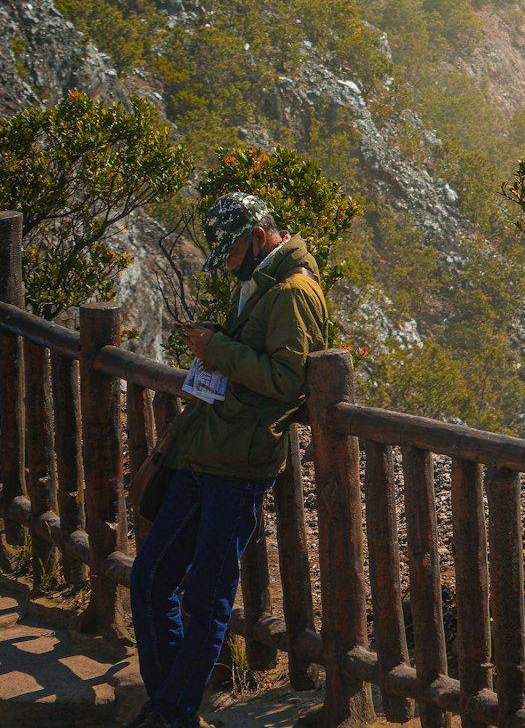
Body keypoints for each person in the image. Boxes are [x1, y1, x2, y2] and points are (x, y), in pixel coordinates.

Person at [128, 192, 329, 728]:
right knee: (150, 577)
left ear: (258, 236)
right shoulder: (261, 283)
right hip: (210, 452)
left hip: (238, 464)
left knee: (206, 595)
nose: (228, 264)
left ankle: (171, 711)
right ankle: (170, 706)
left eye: (232, 252)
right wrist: (218, 342)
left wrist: (216, 350)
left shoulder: (292, 291)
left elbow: (289, 380)